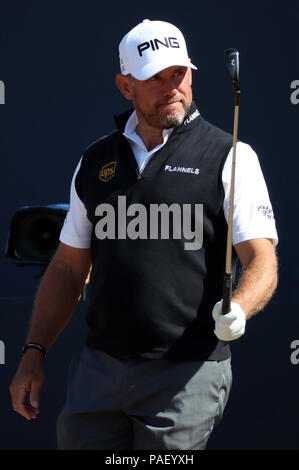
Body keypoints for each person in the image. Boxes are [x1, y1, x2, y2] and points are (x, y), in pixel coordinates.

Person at [9, 19, 278, 450]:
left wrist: (240, 310)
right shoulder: (96, 160)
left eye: (179, 72)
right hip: (99, 370)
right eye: (155, 77)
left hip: (185, 372)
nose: (172, 86)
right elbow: (67, 267)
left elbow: (261, 258)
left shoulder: (231, 155)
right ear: (125, 85)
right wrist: (33, 353)